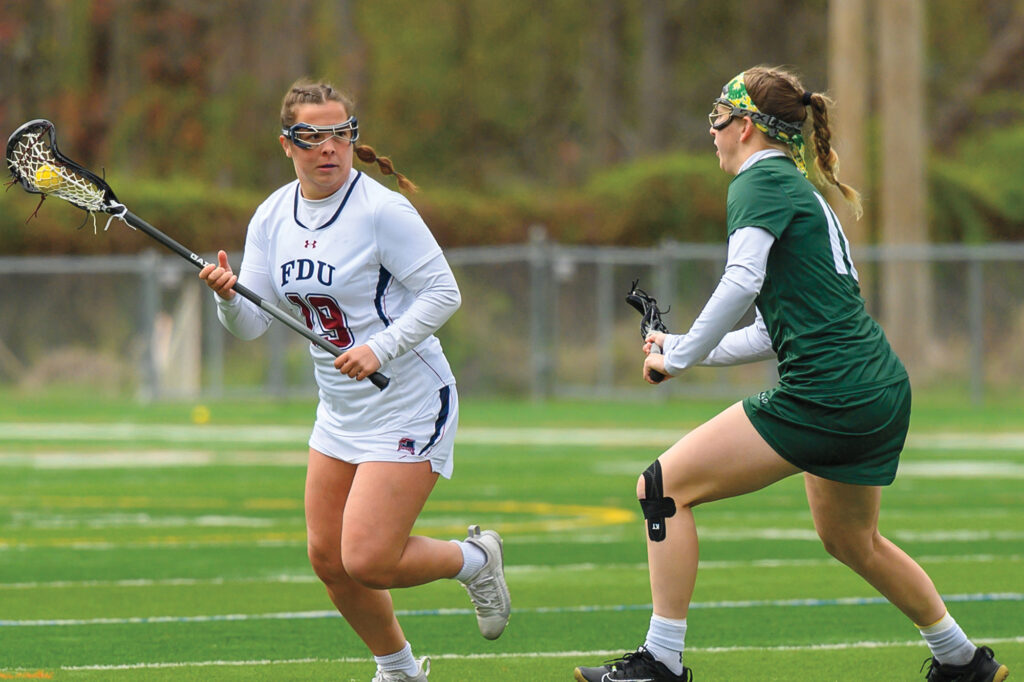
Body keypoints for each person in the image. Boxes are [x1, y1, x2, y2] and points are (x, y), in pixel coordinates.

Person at [573, 66, 1009, 682]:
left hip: (829, 393)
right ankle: (961, 660)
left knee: (661, 489)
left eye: (718, 119)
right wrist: (683, 348)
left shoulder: (759, 182)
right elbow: (771, 328)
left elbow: (742, 281)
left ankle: (661, 663)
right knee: (853, 543)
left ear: (746, 126)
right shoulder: (797, 188)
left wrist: (681, 357)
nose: (714, 134)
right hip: (877, 386)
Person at [199, 78, 510, 682]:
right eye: (312, 137)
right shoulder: (272, 215)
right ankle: (399, 671)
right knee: (328, 559)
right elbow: (254, 324)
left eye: (340, 134)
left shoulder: (381, 210)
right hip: (339, 408)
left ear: (352, 139)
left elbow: (444, 292)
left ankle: (474, 558)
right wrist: (227, 299)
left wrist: (379, 347)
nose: (328, 148)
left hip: (409, 399)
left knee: (366, 557)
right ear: (287, 143)